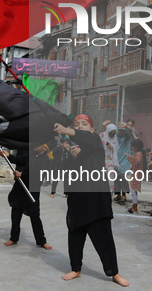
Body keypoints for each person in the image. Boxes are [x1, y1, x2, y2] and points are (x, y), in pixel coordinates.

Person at [54, 114, 129, 287]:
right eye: (76, 124)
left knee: (104, 238)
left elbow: (85, 137)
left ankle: (114, 272)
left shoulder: (95, 141)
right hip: (77, 200)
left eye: (83, 124)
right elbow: (67, 174)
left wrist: (66, 130)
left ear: (92, 129)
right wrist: (72, 158)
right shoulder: (72, 150)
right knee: (75, 236)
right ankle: (76, 268)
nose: (80, 127)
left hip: (96, 200)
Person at [0, 148, 52, 250]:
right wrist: (8, 155)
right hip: (20, 187)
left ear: (44, 148)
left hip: (32, 190)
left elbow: (39, 174)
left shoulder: (45, 159)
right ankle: (13, 238)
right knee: (15, 214)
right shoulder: (30, 154)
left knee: (35, 216)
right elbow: (19, 160)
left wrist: (22, 175)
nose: (34, 146)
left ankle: (42, 241)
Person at [114, 123, 135, 202]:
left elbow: (130, 131)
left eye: (123, 131)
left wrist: (126, 126)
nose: (121, 132)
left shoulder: (127, 137)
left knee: (123, 177)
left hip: (125, 159)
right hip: (116, 159)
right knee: (116, 178)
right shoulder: (115, 137)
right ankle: (118, 194)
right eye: (120, 130)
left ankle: (124, 194)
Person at [125, 138, 144, 214]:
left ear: (135, 147)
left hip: (137, 174)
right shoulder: (139, 153)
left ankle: (135, 207)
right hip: (136, 173)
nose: (131, 148)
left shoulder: (138, 154)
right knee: (134, 190)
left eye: (132, 146)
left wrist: (129, 157)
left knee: (133, 190)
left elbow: (136, 161)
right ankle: (134, 206)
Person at [102, 124, 120, 193]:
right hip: (102, 158)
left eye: (114, 131)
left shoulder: (115, 137)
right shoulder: (102, 135)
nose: (113, 133)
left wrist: (112, 146)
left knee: (110, 176)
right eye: (111, 131)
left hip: (110, 160)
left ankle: (110, 191)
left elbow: (117, 147)